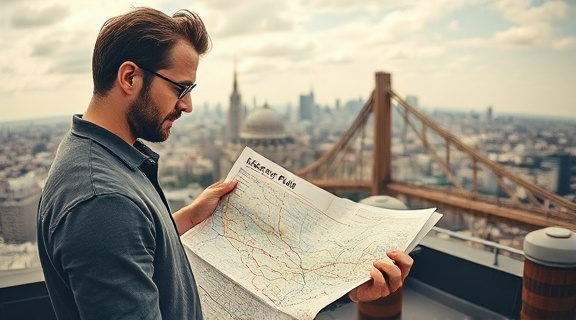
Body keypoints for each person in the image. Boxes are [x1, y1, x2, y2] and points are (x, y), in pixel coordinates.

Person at [37, 7, 414, 320]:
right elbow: (112, 225)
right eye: (180, 88)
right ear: (130, 77)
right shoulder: (102, 200)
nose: (187, 105)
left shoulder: (95, 157)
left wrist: (184, 220)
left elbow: (135, 244)